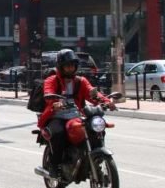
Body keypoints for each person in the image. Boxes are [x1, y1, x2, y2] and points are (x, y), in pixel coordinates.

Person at [37, 48, 115, 177]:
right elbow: (48, 93)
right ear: (61, 67)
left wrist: (106, 101)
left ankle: (96, 158)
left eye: (72, 66)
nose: (70, 69)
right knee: (58, 133)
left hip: (76, 115)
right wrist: (54, 103)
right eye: (67, 66)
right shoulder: (52, 80)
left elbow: (92, 93)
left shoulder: (80, 81)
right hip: (56, 115)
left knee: (96, 128)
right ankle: (54, 166)